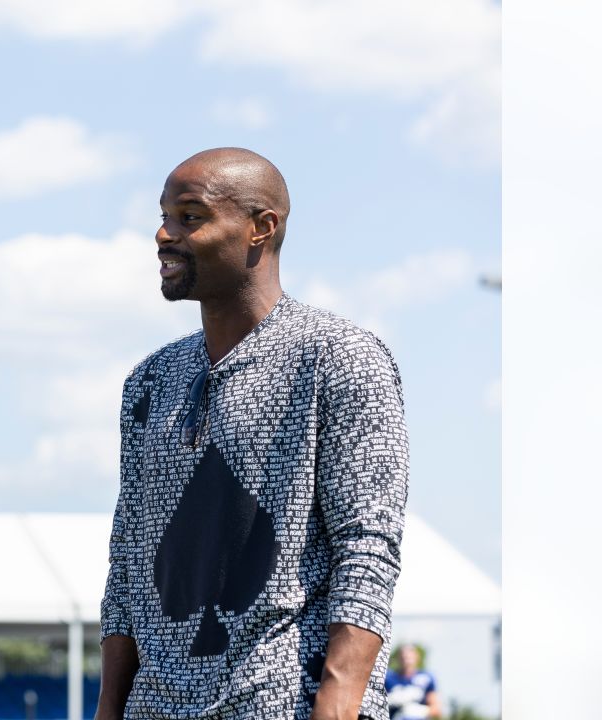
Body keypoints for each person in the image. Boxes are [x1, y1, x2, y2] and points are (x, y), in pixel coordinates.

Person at [96, 148, 409, 720]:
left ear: (261, 228)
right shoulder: (149, 381)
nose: (164, 234)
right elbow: (128, 565)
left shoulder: (339, 358)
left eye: (191, 217)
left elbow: (367, 546)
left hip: (282, 700)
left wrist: (337, 702)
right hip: (155, 707)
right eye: (164, 216)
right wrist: (109, 709)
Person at [385, 644, 441, 719]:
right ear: (398, 658)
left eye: (409, 657)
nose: (406, 660)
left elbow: (436, 709)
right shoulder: (388, 679)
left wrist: (422, 711)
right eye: (403, 657)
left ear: (417, 657)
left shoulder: (426, 678)